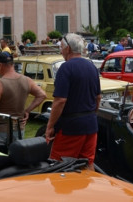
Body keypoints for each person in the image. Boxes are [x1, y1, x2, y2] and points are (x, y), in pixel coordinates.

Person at [45, 33, 101, 170]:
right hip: (90, 124)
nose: (61, 51)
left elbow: (60, 101)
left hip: (71, 126)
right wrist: (91, 114)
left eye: (62, 48)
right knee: (87, 163)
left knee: (59, 165)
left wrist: (50, 126)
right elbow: (98, 97)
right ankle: (88, 190)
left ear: (68, 49)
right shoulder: (92, 67)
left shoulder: (66, 68)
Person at [0, 52, 46, 141]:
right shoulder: (27, 80)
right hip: (19, 129)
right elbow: (42, 95)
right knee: (17, 153)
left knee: (0, 155)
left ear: (0, 65)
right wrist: (27, 110)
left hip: (1, 130)